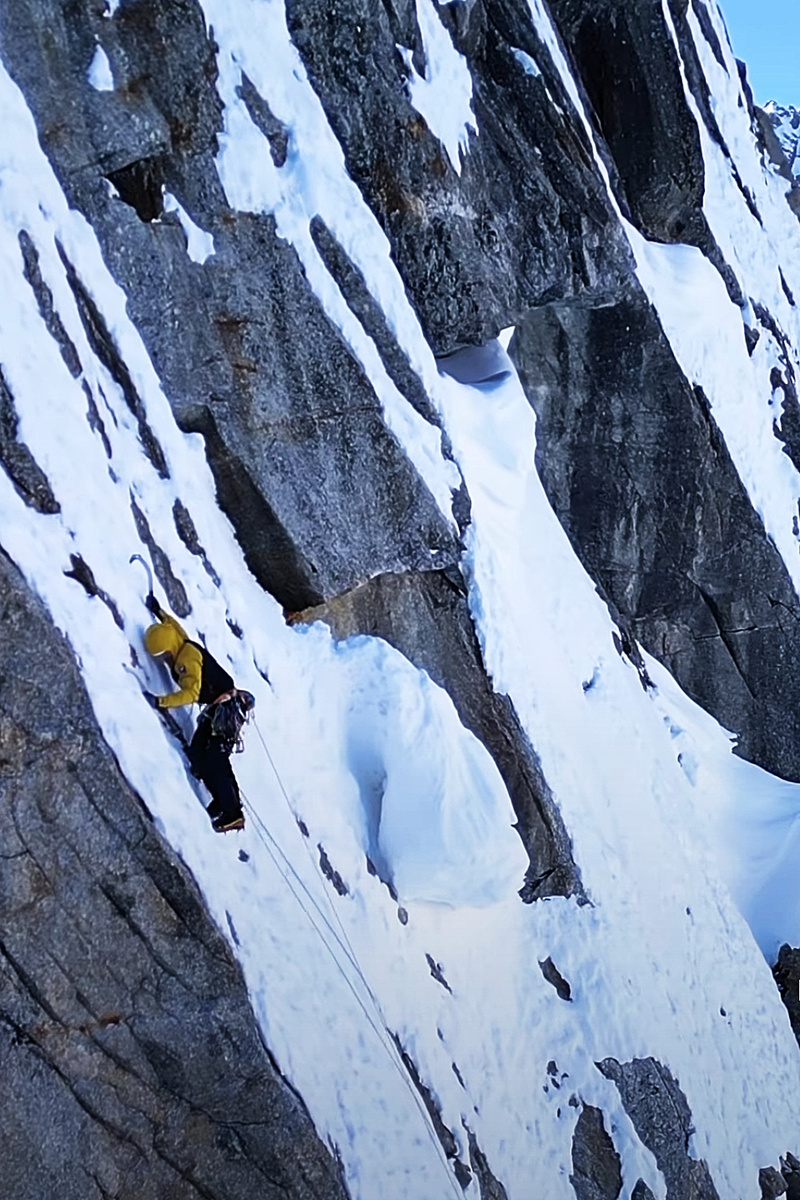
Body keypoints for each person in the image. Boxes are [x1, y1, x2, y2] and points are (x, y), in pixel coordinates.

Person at [142, 594, 253, 833]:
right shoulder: (182, 645)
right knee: (199, 756)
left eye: (161, 655)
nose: (162, 659)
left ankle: (233, 813)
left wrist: (161, 701)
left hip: (225, 710)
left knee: (215, 759)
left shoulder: (186, 662)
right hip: (220, 708)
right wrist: (159, 611)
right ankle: (222, 804)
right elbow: (176, 629)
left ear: (168, 650)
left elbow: (191, 693)